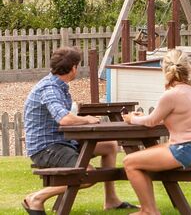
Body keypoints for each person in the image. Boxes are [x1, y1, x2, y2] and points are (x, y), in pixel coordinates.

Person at [22, 46, 136, 215]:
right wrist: (86, 119)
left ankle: (111, 200)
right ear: (74, 67)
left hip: (63, 142)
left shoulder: (57, 85)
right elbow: (64, 119)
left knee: (109, 145)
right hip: (46, 148)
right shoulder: (50, 88)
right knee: (87, 174)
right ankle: (37, 198)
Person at [122, 49, 191, 215]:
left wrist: (131, 119)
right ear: (187, 67)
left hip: (186, 150)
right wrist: (148, 117)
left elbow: (151, 122)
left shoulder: (171, 95)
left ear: (164, 70)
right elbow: (179, 115)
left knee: (130, 162)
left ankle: (149, 211)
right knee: (143, 157)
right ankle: (149, 209)